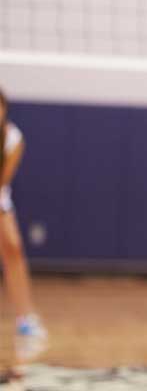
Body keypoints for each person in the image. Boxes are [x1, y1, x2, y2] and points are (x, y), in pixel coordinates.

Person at [0, 89, 48, 358]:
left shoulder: (13, 138)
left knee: (14, 249)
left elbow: (2, 181)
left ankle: (25, 318)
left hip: (0, 199)